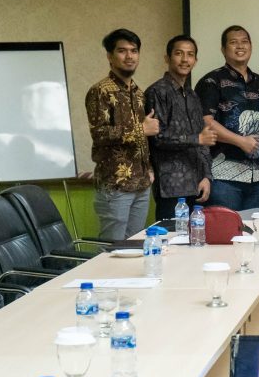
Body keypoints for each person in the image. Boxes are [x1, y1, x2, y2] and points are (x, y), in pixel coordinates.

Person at [194, 25, 259, 212]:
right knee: (226, 235)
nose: (240, 46)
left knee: (253, 235)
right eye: (233, 42)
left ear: (251, 46)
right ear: (223, 49)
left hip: (258, 176)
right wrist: (240, 141)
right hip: (223, 177)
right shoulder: (211, 81)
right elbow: (205, 122)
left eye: (244, 41)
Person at [85, 28, 158, 240]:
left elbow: (144, 141)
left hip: (141, 184)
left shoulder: (138, 93)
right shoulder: (100, 91)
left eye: (134, 51)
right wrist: (141, 129)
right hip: (115, 185)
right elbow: (100, 133)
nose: (129, 56)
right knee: (110, 250)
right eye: (122, 51)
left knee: (134, 247)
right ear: (110, 56)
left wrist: (149, 169)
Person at [145, 35, 215, 221]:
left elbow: (204, 139)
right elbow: (157, 138)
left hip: (197, 184)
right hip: (171, 185)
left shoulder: (192, 95)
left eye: (190, 55)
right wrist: (196, 139)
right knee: (171, 242)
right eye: (179, 54)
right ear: (167, 58)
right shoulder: (157, 92)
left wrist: (207, 176)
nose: (185, 60)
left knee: (196, 242)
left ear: (195, 60)